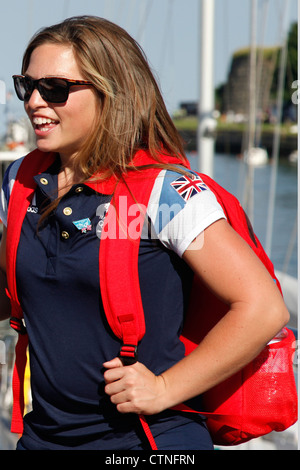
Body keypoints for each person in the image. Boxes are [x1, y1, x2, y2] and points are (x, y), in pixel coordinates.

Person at [0, 16, 289, 451]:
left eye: (55, 88)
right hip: (42, 436)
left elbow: (264, 307)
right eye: (28, 86)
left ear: (110, 92)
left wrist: (166, 388)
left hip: (149, 442)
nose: (34, 102)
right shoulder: (18, 182)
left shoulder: (166, 192)